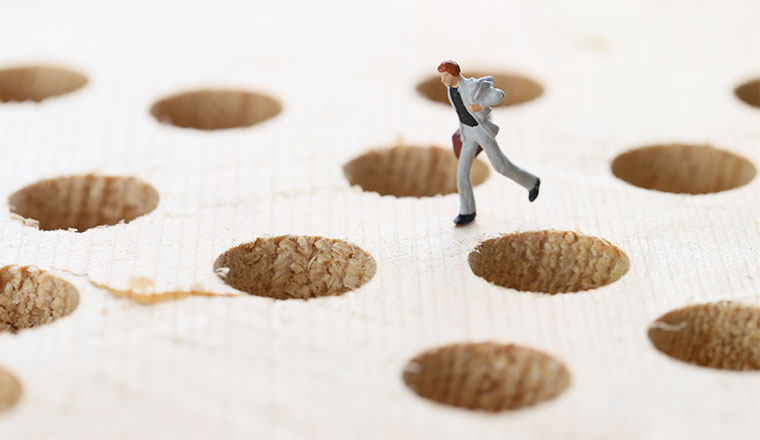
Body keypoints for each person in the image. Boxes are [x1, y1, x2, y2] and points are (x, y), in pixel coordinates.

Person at [437, 60, 540, 225]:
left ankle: (531, 182)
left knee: (500, 166)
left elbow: (498, 94)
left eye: (444, 76)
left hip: (481, 132)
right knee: (462, 173)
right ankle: (467, 211)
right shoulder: (450, 90)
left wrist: (480, 105)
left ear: (453, 74)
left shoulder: (472, 86)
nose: (442, 80)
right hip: (467, 134)